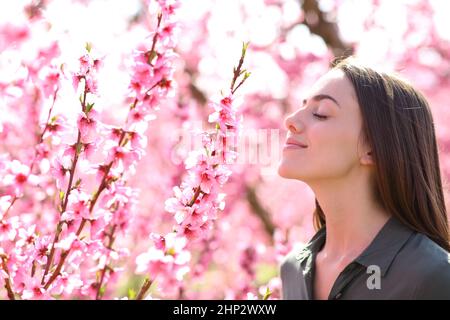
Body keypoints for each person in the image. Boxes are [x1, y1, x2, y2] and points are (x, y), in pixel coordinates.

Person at [277, 57, 450, 300]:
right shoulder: (292, 271)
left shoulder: (432, 275)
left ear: (372, 148)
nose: (291, 121)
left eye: (320, 113)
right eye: (302, 107)